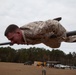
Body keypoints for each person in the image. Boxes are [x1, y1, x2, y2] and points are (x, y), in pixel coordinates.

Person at [4, 17, 76, 48]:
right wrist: (13, 41)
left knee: (67, 38)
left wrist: (62, 38)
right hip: (42, 39)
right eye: (10, 40)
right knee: (56, 46)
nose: (12, 42)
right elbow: (16, 40)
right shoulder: (20, 37)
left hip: (47, 33)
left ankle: (49, 25)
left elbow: (54, 24)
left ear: (18, 33)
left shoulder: (34, 32)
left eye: (12, 38)